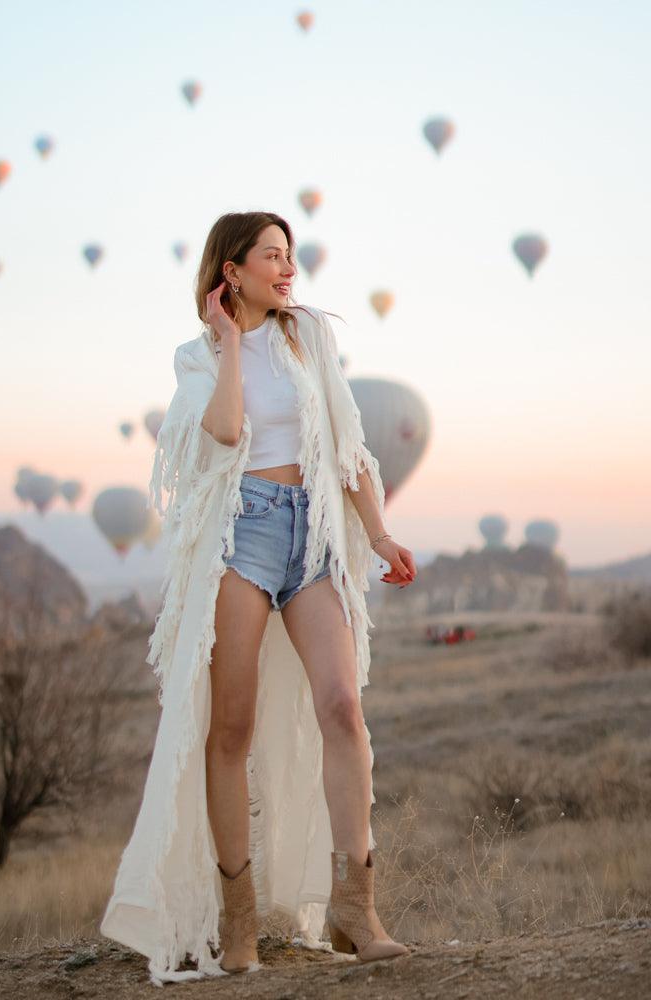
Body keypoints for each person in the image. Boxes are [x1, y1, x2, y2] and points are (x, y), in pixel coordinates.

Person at [100, 211, 417, 985]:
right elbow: (224, 431)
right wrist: (231, 342)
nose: (287, 269)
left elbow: (345, 443)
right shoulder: (199, 356)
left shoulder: (310, 335)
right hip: (241, 536)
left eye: (291, 256)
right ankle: (237, 916)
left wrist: (376, 535)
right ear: (230, 270)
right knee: (230, 729)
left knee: (343, 706)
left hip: (313, 534)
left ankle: (356, 906)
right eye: (270, 257)